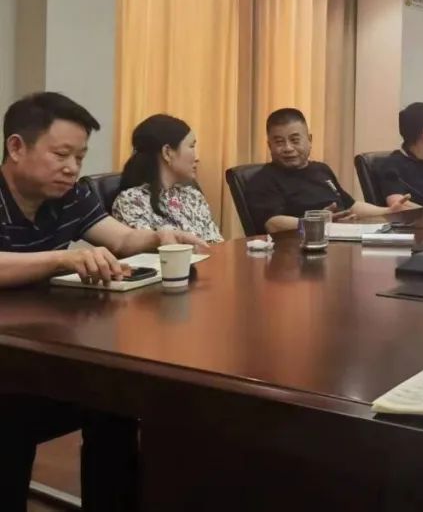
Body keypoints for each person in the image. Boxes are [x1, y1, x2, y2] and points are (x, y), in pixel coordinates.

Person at [0, 92, 204, 510]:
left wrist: (160, 236)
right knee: (10, 424)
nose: (72, 167)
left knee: (114, 402)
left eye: (80, 156)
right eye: (61, 154)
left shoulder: (72, 196)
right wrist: (61, 258)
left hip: (37, 354)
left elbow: (122, 239)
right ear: (16, 147)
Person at [247, 108, 397, 233]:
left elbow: (351, 206)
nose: (288, 148)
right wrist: (319, 223)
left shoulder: (321, 169)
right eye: (279, 142)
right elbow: (272, 224)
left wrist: (389, 211)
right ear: (269, 145)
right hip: (299, 248)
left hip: (341, 239)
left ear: (309, 140)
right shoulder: (263, 180)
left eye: (294, 140)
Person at [112, 114, 224, 242]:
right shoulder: (131, 202)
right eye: (191, 146)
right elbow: (148, 251)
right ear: (167, 152)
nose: (197, 157)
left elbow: (217, 244)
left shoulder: (193, 196)